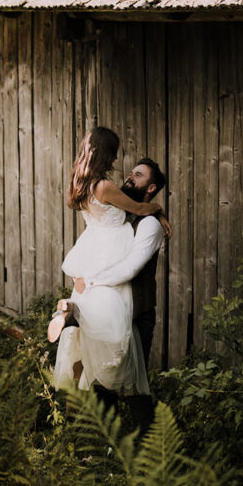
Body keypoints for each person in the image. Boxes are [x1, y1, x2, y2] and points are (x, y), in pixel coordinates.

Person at [48, 127, 168, 396]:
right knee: (112, 324)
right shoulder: (105, 186)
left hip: (93, 250)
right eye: (113, 155)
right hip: (111, 252)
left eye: (137, 174)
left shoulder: (83, 183)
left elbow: (131, 211)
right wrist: (159, 210)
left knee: (92, 307)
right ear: (104, 154)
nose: (117, 163)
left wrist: (156, 218)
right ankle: (73, 320)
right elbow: (137, 209)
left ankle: (71, 316)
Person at [70, 157, 167, 428]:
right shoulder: (121, 217)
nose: (129, 178)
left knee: (134, 382)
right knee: (103, 376)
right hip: (110, 309)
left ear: (151, 188)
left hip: (135, 311)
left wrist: (89, 282)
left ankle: (147, 446)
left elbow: (130, 268)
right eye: (130, 173)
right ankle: (105, 443)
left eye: (138, 175)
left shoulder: (149, 226)